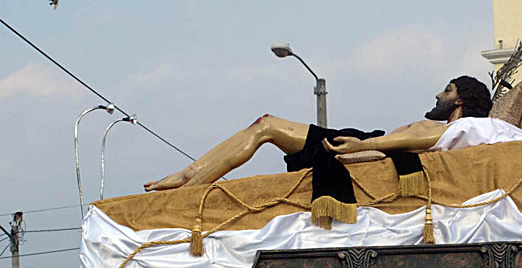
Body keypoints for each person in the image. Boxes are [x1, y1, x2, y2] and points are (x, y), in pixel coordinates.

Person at [143, 76, 498, 192]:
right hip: (361, 139)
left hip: (357, 140)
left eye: (447, 90)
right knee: (265, 125)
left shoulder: (451, 128)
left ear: (459, 101)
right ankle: (190, 175)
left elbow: (410, 140)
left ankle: (189, 185)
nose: (438, 95)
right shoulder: (450, 129)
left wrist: (364, 144)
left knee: (266, 126)